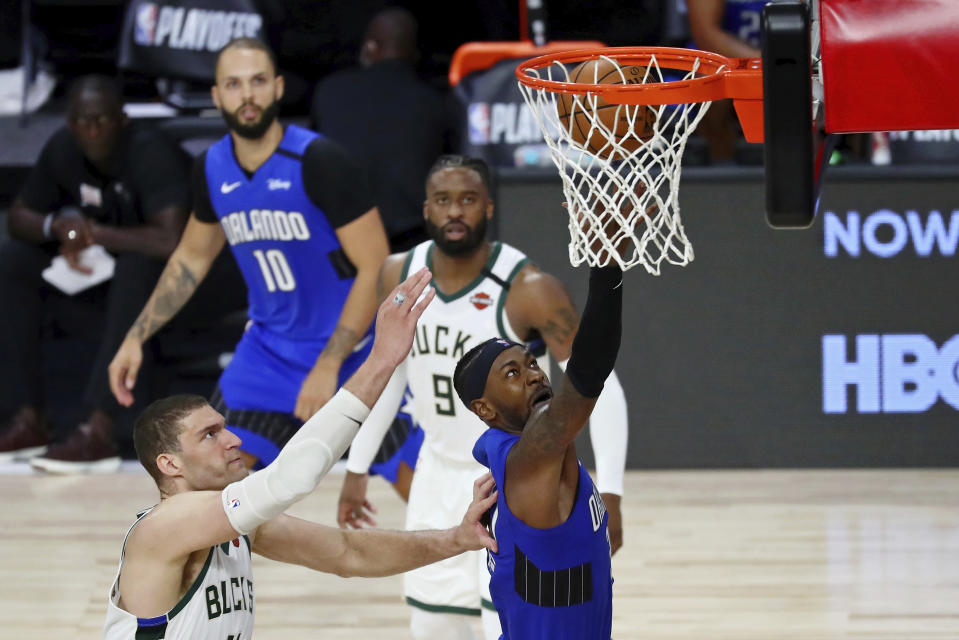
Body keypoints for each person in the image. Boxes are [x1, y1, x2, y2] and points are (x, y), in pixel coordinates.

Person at [102, 269, 498, 640]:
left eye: (224, 427)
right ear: (169, 464)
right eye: (210, 435)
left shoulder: (236, 526)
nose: (234, 440)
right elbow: (289, 479)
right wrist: (380, 360)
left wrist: (456, 539)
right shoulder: (163, 528)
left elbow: (349, 553)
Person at [338, 155, 628, 640]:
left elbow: (599, 381)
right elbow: (390, 374)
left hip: (508, 483)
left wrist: (614, 491)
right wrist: (356, 467)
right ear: (425, 209)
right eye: (444, 201)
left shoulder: (527, 287)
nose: (456, 212)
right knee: (435, 625)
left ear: (488, 207)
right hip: (436, 476)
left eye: (468, 200)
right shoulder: (398, 274)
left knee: (510, 616)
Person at [108, 37, 390, 469]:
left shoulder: (320, 160)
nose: (248, 95)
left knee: (423, 483)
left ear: (278, 88)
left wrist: (328, 363)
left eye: (258, 81)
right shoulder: (211, 167)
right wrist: (136, 336)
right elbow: (190, 259)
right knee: (212, 483)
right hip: (267, 355)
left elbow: (376, 266)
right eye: (234, 85)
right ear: (217, 96)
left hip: (349, 353)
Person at [0, 74, 245, 473]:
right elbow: (20, 216)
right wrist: (57, 229)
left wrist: (92, 234)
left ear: (122, 120)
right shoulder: (64, 148)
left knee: (139, 264)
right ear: (70, 123)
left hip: (202, 282)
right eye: (83, 120)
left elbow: (170, 241)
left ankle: (101, 427)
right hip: (120, 280)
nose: (93, 129)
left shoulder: (151, 151)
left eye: (102, 120)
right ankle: (27, 419)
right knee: (15, 261)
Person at [455, 256, 625, 639]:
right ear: (485, 408)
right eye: (512, 374)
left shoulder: (520, 457)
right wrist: (608, 263)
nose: (533, 375)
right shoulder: (531, 461)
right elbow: (588, 370)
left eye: (532, 363)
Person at [311, 7, 461, 253]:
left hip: (341, 245)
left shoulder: (329, 92)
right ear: (413, 53)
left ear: (370, 47)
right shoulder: (436, 102)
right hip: (414, 248)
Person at [686, 0, 769, 163]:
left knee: (807, 80)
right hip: (725, 61)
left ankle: (805, 170)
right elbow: (706, 35)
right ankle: (723, 166)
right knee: (709, 85)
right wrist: (764, 62)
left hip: (784, 61)